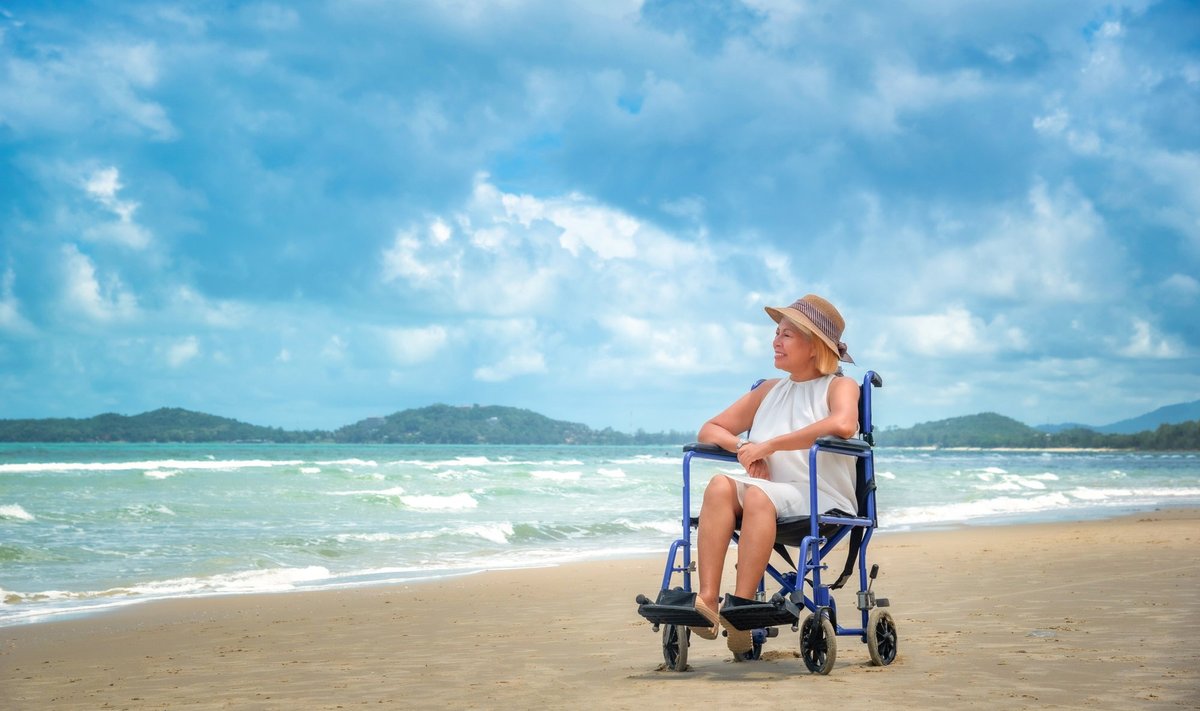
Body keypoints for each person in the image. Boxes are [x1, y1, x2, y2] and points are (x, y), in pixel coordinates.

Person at [690, 294, 860, 653]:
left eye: (786, 335)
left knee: (757, 494)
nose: (775, 341)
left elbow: (844, 424)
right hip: (770, 492)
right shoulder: (768, 390)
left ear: (814, 346)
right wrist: (742, 449)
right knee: (720, 485)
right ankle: (708, 601)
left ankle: (743, 606)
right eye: (777, 333)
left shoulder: (840, 386)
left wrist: (770, 446)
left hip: (821, 496)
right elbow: (709, 429)